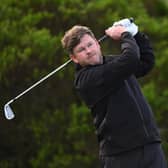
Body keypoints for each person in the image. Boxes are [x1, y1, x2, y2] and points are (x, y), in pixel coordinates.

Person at [61, 18, 167, 168]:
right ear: (74, 58)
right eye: (81, 50)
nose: (89, 51)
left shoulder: (113, 63)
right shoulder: (86, 79)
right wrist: (124, 35)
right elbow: (130, 59)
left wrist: (135, 33)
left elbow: (145, 62)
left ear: (97, 44)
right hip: (121, 157)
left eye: (90, 44)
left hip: (150, 147)